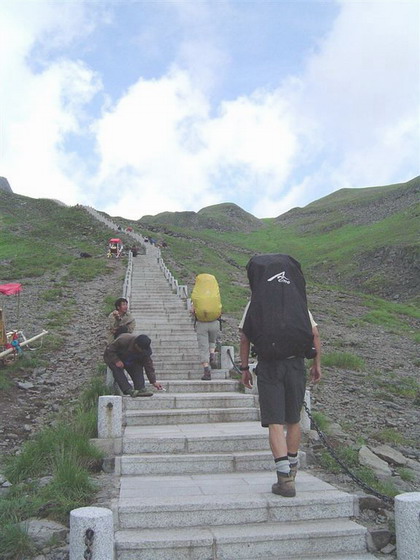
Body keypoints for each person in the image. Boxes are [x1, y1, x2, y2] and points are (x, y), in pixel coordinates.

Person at [239, 302, 321, 497]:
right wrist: (317, 364)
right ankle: (292, 468)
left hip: (269, 365)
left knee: (275, 421)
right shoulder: (296, 300)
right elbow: (315, 334)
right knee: (293, 419)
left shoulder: (255, 302)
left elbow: (244, 337)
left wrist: (244, 368)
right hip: (295, 365)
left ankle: (284, 478)